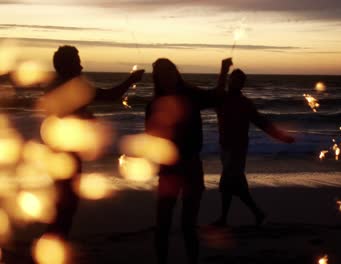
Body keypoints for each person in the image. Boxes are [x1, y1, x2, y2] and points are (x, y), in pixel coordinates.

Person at [42, 45, 144, 239]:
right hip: (64, 154)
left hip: (59, 152)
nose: (81, 66)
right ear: (66, 65)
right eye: (77, 62)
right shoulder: (71, 86)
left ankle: (54, 242)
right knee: (67, 204)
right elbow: (109, 96)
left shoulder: (58, 85)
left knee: (65, 203)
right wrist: (131, 79)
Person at [145, 58, 231, 264]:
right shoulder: (154, 104)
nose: (167, 76)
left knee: (188, 224)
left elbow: (217, 96)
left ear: (176, 73)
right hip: (168, 169)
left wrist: (223, 71)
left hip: (192, 165)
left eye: (170, 71)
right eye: (162, 73)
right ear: (157, 78)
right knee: (163, 223)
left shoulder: (191, 95)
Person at [211, 69, 295, 227]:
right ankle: (255, 213)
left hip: (237, 149)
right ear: (229, 81)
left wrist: (282, 137)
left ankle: (227, 218)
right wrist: (223, 70)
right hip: (225, 147)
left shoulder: (245, 104)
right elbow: (216, 91)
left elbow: (261, 122)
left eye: (239, 81)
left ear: (242, 84)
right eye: (233, 79)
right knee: (234, 184)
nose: (235, 83)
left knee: (227, 184)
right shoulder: (221, 99)